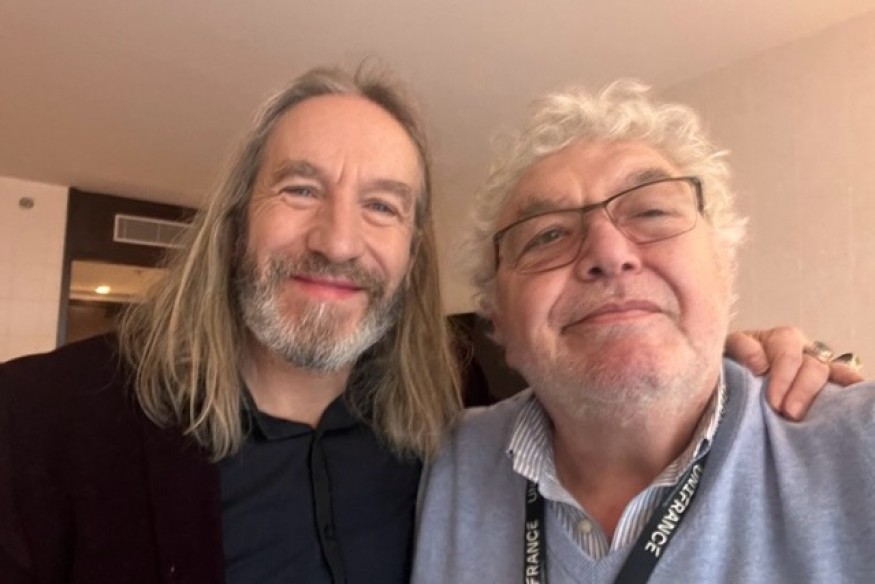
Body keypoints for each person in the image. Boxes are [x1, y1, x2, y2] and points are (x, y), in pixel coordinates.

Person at [0, 66, 853, 584]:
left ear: (412, 258)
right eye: (299, 189)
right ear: (231, 228)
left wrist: (740, 361)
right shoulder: (34, 426)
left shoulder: (436, 432)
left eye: (382, 205)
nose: (338, 240)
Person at [412, 80, 871, 583]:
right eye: (548, 235)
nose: (609, 254)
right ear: (498, 319)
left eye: (652, 212)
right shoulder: (434, 466)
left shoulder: (860, 446)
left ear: (724, 267)